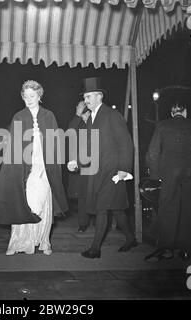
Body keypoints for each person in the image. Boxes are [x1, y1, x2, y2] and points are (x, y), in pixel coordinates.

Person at [0, 80, 68, 256]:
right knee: (25, 203)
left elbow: (56, 143)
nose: (29, 99)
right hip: (25, 169)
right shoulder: (18, 116)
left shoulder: (49, 116)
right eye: (25, 97)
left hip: (45, 167)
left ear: (39, 95)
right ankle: (19, 242)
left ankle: (44, 242)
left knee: (44, 204)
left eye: (32, 96)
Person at [68, 77, 136, 258]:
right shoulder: (91, 118)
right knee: (116, 209)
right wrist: (77, 161)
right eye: (85, 97)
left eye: (88, 97)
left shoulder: (111, 115)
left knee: (102, 207)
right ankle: (131, 238)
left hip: (112, 171)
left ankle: (95, 248)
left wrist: (124, 169)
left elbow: (126, 143)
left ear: (99, 96)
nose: (85, 101)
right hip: (97, 171)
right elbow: (89, 147)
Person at [145, 102, 191, 261]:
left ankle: (166, 248)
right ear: (184, 112)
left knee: (168, 208)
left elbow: (152, 152)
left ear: (172, 113)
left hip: (169, 172)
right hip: (190, 172)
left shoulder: (162, 125)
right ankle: (186, 249)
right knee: (188, 208)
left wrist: (155, 174)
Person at [67, 101, 91, 232]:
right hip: (83, 165)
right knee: (83, 195)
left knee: (101, 194)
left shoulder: (96, 120)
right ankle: (83, 223)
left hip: (97, 163)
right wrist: (77, 116)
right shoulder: (78, 122)